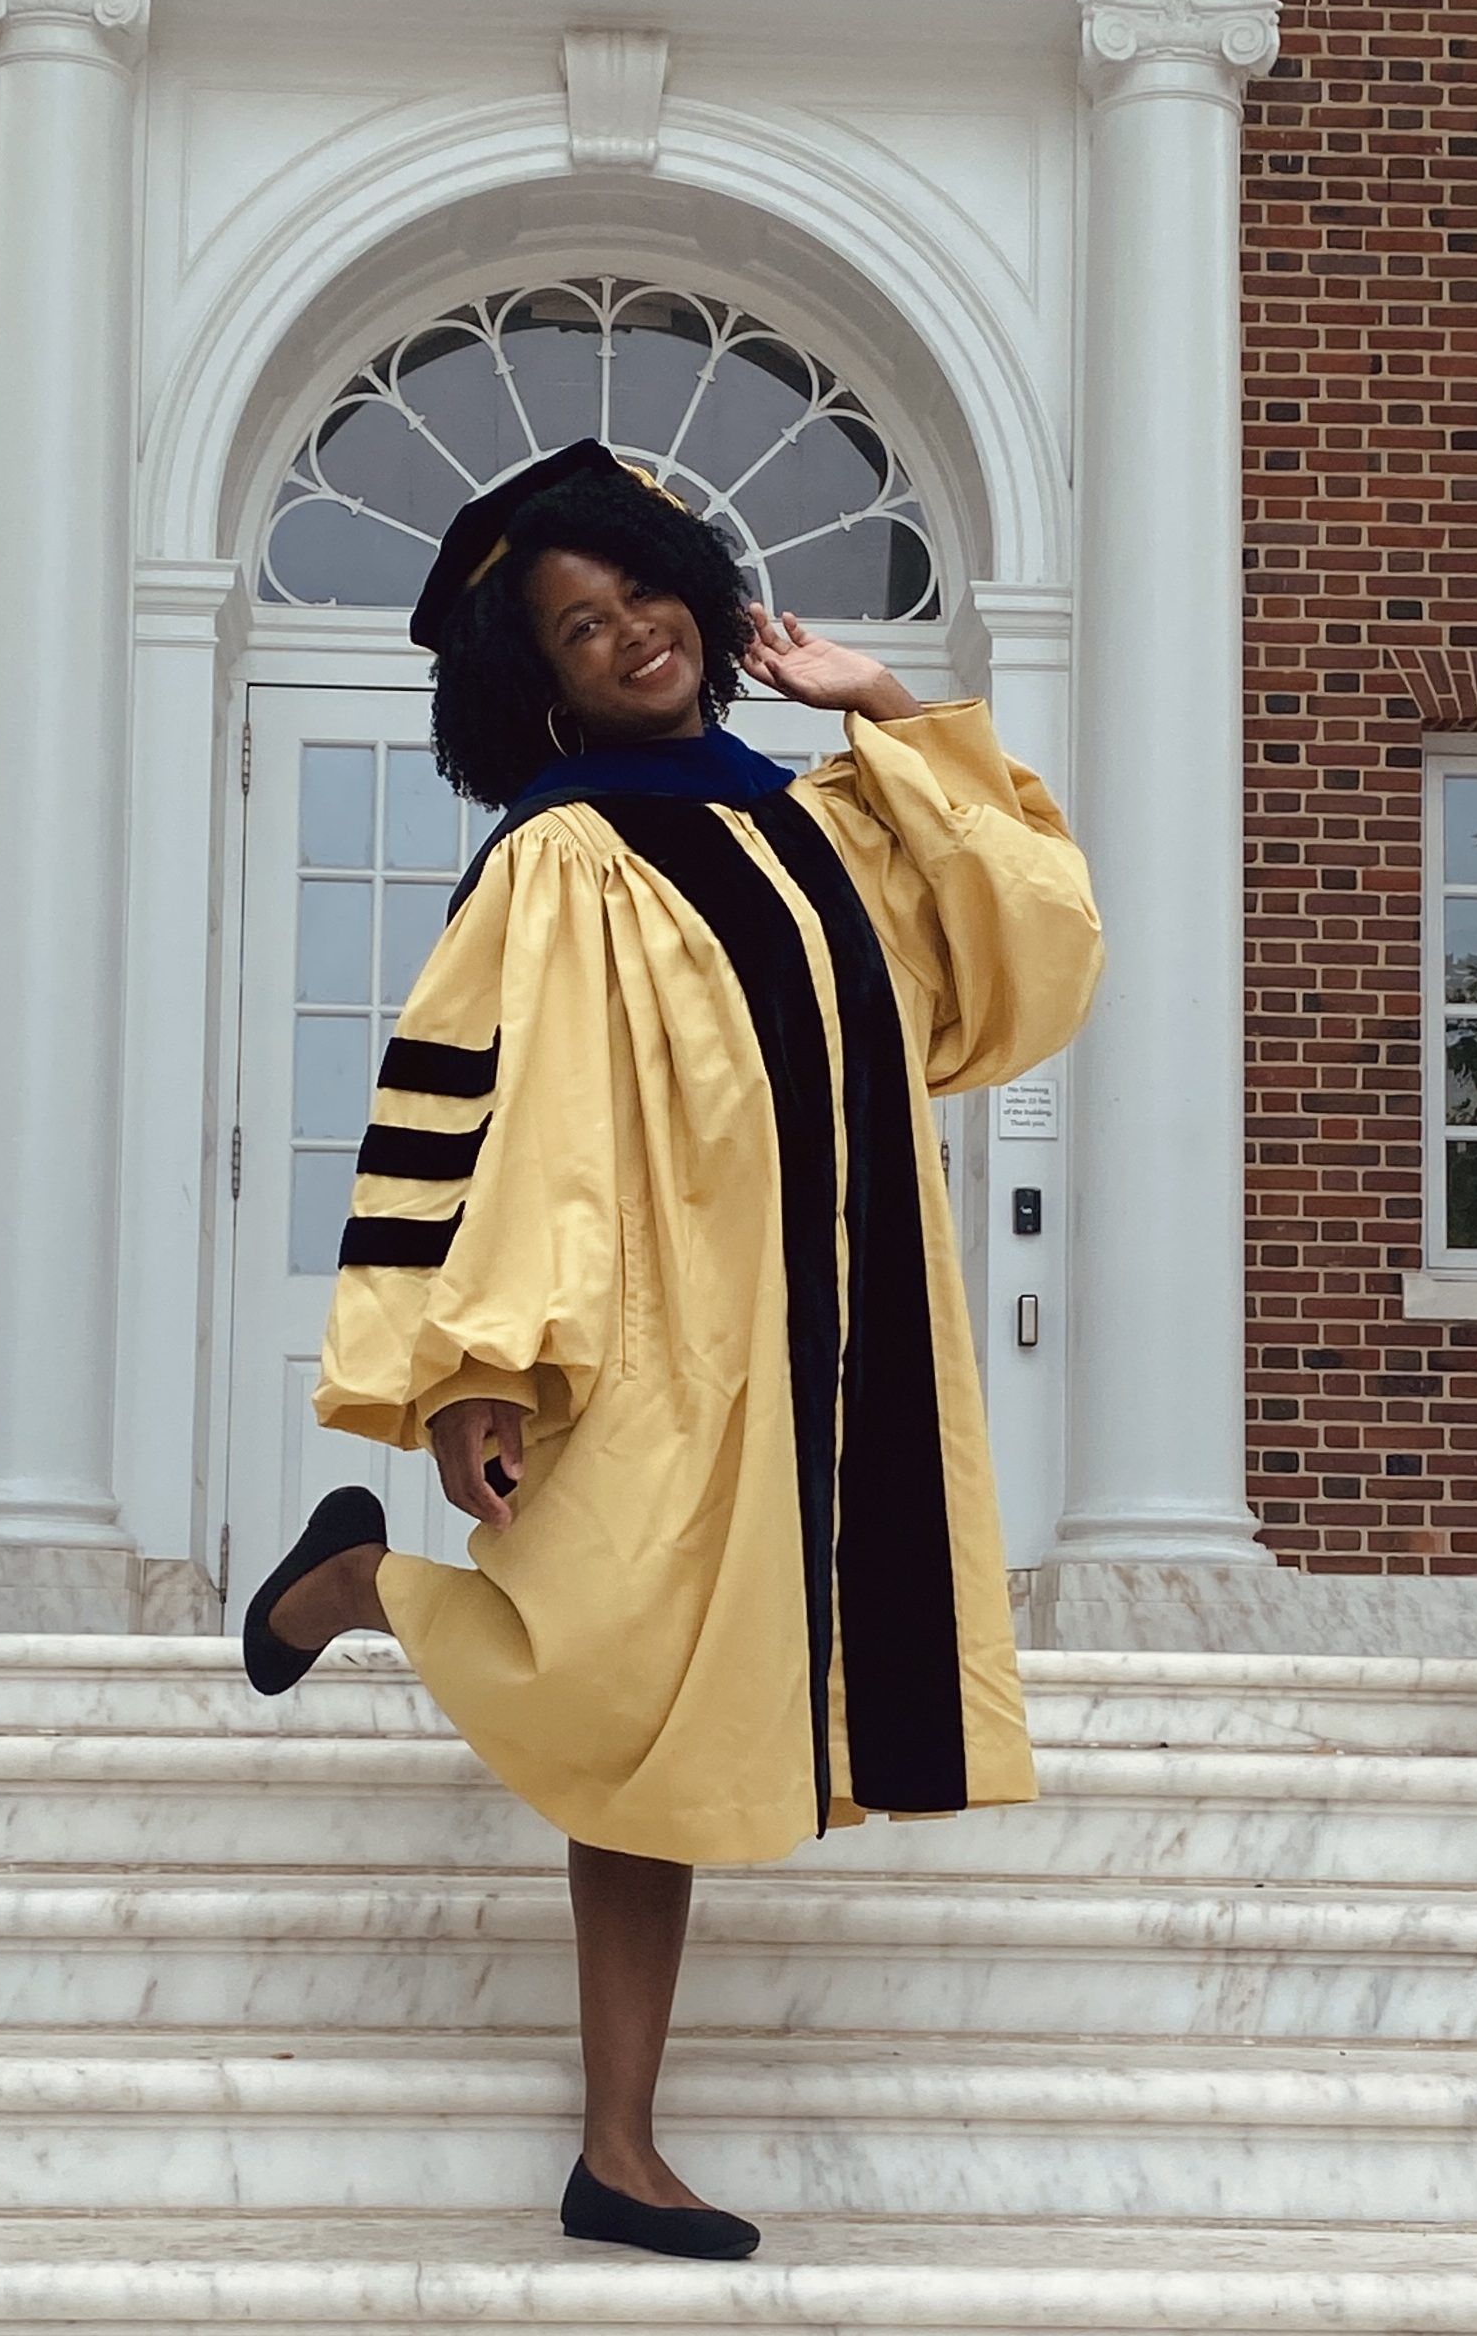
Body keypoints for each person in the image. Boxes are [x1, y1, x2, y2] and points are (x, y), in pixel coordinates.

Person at [240, 438, 1102, 2260]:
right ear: (533, 684)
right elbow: (507, 1111)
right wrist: (480, 1361)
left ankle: (615, 2153)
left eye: (640, 593)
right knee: (620, 1685)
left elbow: (1013, 958)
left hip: (822, 1353)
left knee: (674, 1740)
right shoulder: (563, 860)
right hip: (640, 1350)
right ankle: (357, 1587)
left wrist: (884, 707)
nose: (626, 634)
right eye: (575, 628)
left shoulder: (810, 823)